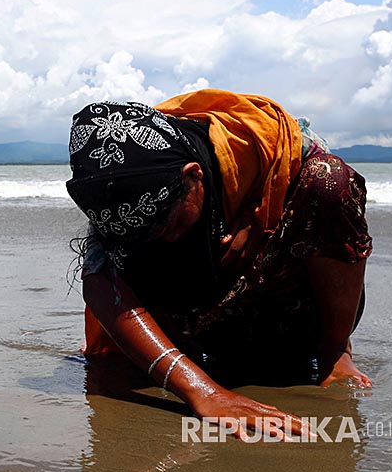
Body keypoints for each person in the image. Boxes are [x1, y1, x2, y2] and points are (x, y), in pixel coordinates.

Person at [66, 90, 373, 440]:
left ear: (193, 176)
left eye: (170, 225)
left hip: (284, 313)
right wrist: (204, 392)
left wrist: (260, 213)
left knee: (328, 181)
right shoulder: (120, 187)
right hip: (195, 323)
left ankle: (334, 351)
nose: (165, 240)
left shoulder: (280, 147)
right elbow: (100, 280)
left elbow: (330, 211)